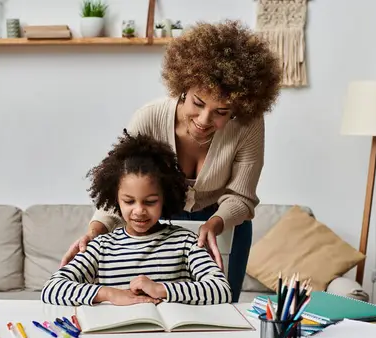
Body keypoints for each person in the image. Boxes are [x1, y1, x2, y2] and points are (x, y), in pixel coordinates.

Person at [60, 20, 282, 303]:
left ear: (240, 107)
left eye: (221, 112)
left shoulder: (248, 125)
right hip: (162, 227)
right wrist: (95, 231)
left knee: (224, 308)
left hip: (223, 226)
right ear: (183, 86)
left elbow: (242, 196)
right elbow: (123, 181)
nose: (204, 121)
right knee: (164, 308)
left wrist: (214, 223)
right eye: (198, 103)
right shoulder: (149, 117)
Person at [41, 132, 232, 306]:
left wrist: (162, 290)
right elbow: (51, 289)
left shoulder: (185, 242)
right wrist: (109, 294)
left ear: (165, 197)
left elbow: (221, 289)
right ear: (116, 199)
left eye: (150, 202)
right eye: (129, 201)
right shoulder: (101, 247)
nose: (139, 211)